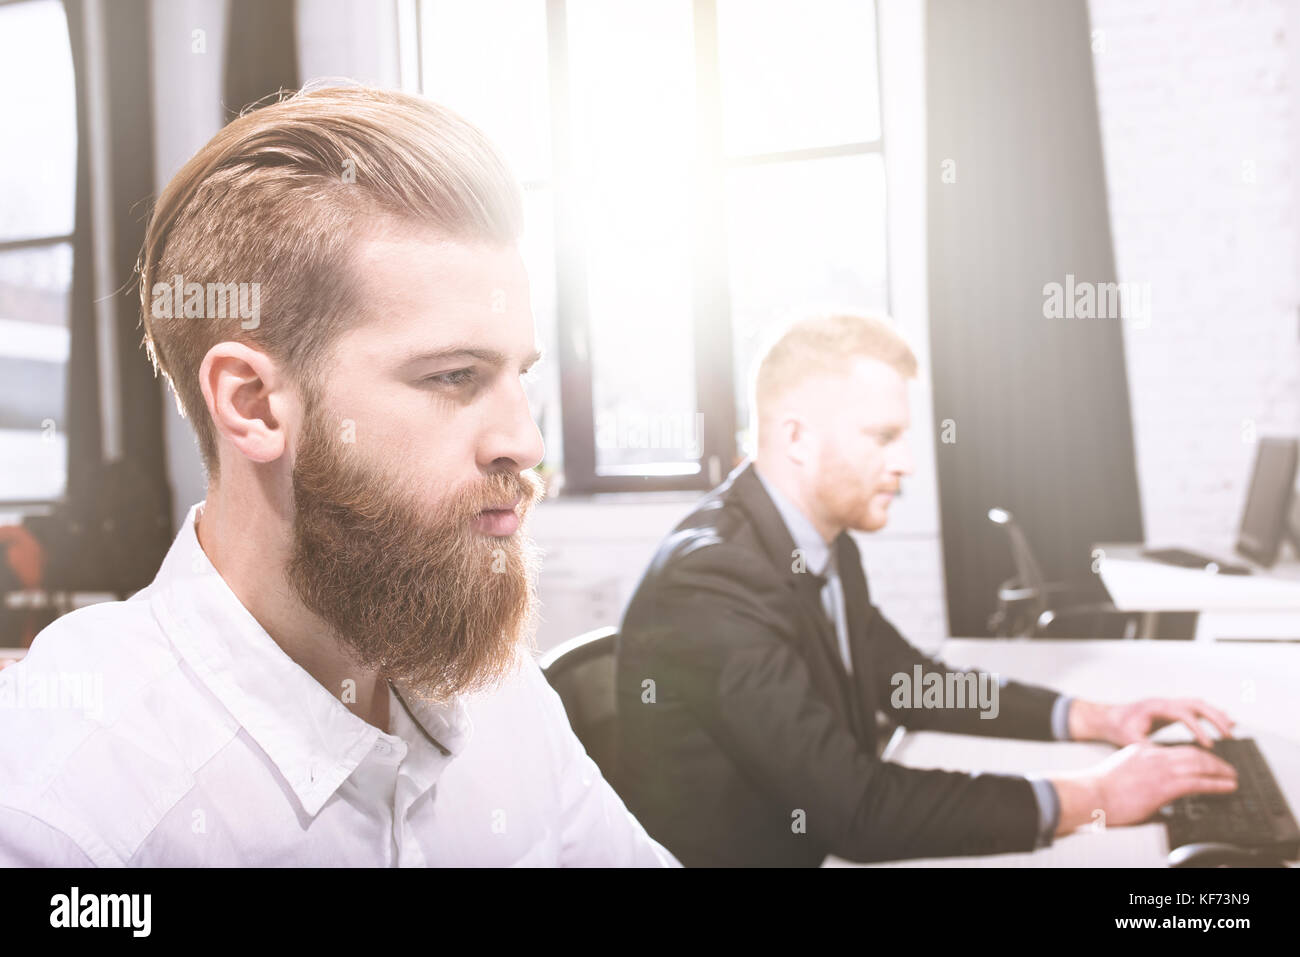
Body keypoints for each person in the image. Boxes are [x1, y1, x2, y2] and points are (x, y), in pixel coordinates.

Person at [0, 85, 674, 867]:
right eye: (454, 375)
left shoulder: (501, 696)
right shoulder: (61, 811)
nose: (524, 442)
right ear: (253, 404)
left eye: (519, 375)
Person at [614, 312, 1237, 867]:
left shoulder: (821, 539)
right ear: (796, 437)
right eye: (883, 437)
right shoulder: (714, 579)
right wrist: (1094, 796)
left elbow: (906, 680)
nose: (907, 461)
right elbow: (857, 813)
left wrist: (1094, 716)